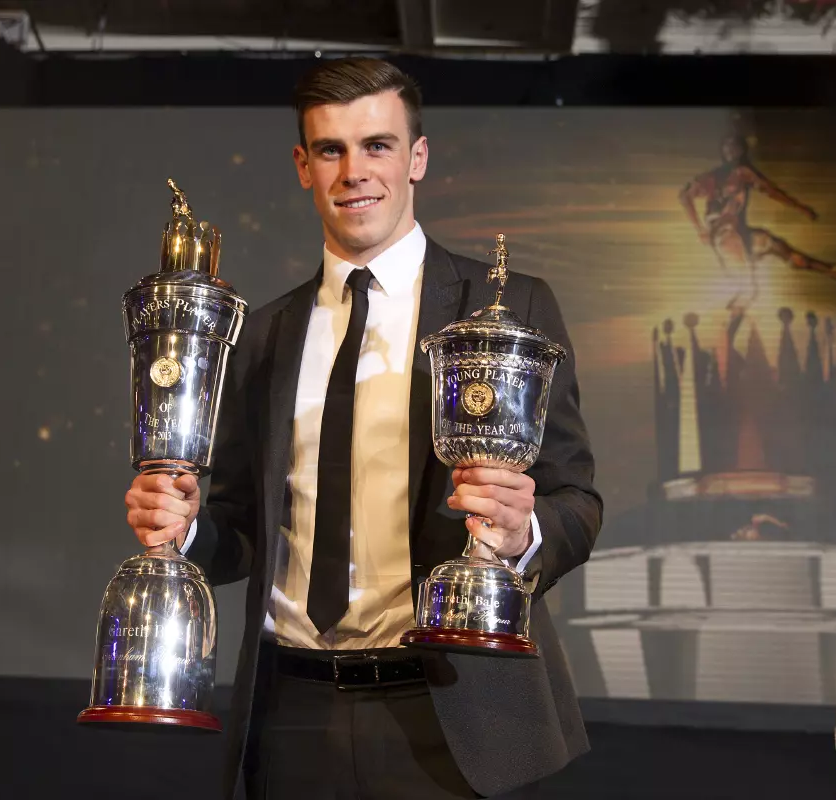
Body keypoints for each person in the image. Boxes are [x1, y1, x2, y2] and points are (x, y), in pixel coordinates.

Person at [124, 56, 602, 800]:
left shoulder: (509, 306)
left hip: (450, 710)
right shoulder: (261, 333)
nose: (355, 171)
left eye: (377, 145)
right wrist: (183, 532)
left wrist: (523, 533)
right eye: (331, 150)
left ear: (416, 158)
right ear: (302, 165)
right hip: (290, 713)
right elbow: (242, 524)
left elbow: (577, 499)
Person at [678, 133, 836, 314]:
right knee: (747, 289)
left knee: (781, 249)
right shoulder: (711, 178)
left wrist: (800, 207)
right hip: (725, 235)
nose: (733, 151)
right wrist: (700, 230)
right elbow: (684, 196)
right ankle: (734, 317)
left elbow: (771, 191)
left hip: (742, 234)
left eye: (737, 147)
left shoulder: (743, 173)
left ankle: (833, 271)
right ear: (723, 151)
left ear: (742, 151)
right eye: (729, 146)